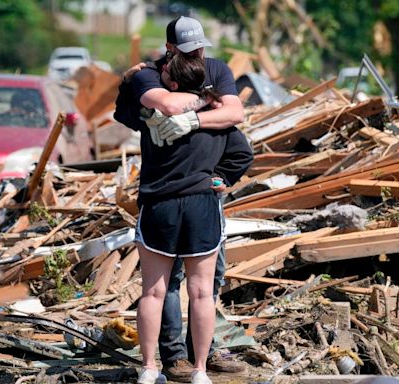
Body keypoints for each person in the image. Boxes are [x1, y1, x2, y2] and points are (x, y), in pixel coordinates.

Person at [122, 16, 249, 383]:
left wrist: (193, 118)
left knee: (157, 290)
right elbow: (166, 102)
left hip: (164, 200)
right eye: (190, 49)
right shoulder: (150, 74)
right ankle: (192, 367)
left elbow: (232, 112)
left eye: (200, 48)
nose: (199, 54)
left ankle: (152, 368)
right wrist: (209, 106)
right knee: (197, 291)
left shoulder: (214, 71)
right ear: (171, 49)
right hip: (198, 201)